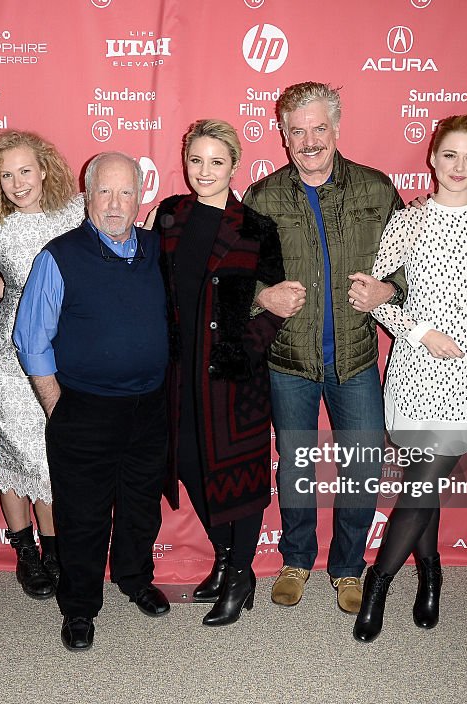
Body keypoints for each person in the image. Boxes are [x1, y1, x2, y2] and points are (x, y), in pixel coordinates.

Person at [242, 81, 405, 613]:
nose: (309, 140)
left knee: (362, 463)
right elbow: (236, 277)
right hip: (288, 360)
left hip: (356, 356)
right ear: (283, 135)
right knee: (296, 463)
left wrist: (390, 289)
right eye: (298, 130)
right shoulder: (262, 197)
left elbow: (414, 265)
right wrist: (263, 295)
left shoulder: (376, 190)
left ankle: (348, 567)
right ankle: (295, 558)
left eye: (319, 128)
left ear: (336, 128)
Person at [352, 116, 467, 642]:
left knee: (424, 484)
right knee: (426, 483)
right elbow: (371, 294)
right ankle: (432, 575)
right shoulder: (408, 222)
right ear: (432, 158)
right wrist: (419, 331)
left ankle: (378, 584)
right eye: (450, 155)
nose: (459, 168)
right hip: (418, 371)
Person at [14, 151, 170, 651]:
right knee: (82, 517)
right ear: (87, 196)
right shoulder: (58, 256)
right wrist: (58, 405)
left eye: (128, 192)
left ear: (140, 197)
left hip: (149, 408)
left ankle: (134, 578)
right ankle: (79, 607)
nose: (117, 204)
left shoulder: (156, 249)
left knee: (142, 508)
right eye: (106, 191)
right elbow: (31, 340)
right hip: (83, 410)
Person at [148, 119, 287, 626]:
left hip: (233, 379)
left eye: (216, 162)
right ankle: (226, 560)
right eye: (195, 161)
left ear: (235, 165)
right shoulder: (169, 215)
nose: (204, 171)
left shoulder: (256, 228)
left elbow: (277, 304)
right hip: (176, 374)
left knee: (239, 478)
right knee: (190, 466)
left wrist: (241, 350)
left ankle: (240, 572)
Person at [0, 131, 85, 599]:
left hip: (66, 351)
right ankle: (28, 555)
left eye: (24, 170)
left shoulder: (77, 211)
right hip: (5, 356)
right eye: (5, 174)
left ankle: (56, 550)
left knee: (52, 453)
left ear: (44, 169)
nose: (17, 183)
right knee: (14, 456)